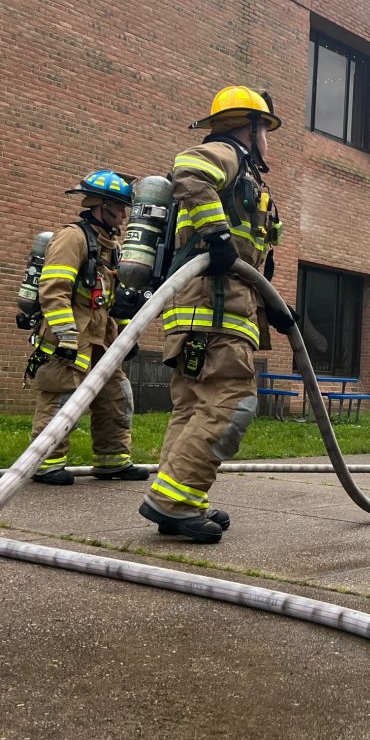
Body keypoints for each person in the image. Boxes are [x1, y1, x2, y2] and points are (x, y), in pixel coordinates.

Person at [138, 85, 293, 544]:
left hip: (199, 310)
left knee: (192, 408)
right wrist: (217, 234)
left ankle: (176, 500)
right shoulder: (226, 154)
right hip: (216, 311)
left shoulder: (247, 182)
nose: (267, 140)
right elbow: (188, 170)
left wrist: (278, 309)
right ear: (251, 128)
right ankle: (176, 499)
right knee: (232, 403)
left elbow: (251, 260)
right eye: (265, 129)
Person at [29, 170, 149, 485]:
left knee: (115, 396)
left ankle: (113, 461)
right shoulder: (72, 237)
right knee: (61, 396)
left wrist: (126, 335)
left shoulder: (114, 245)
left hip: (103, 336)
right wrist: (66, 337)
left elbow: (115, 299)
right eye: (119, 207)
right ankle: (45, 463)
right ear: (100, 205)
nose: (124, 214)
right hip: (71, 335)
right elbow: (54, 289)